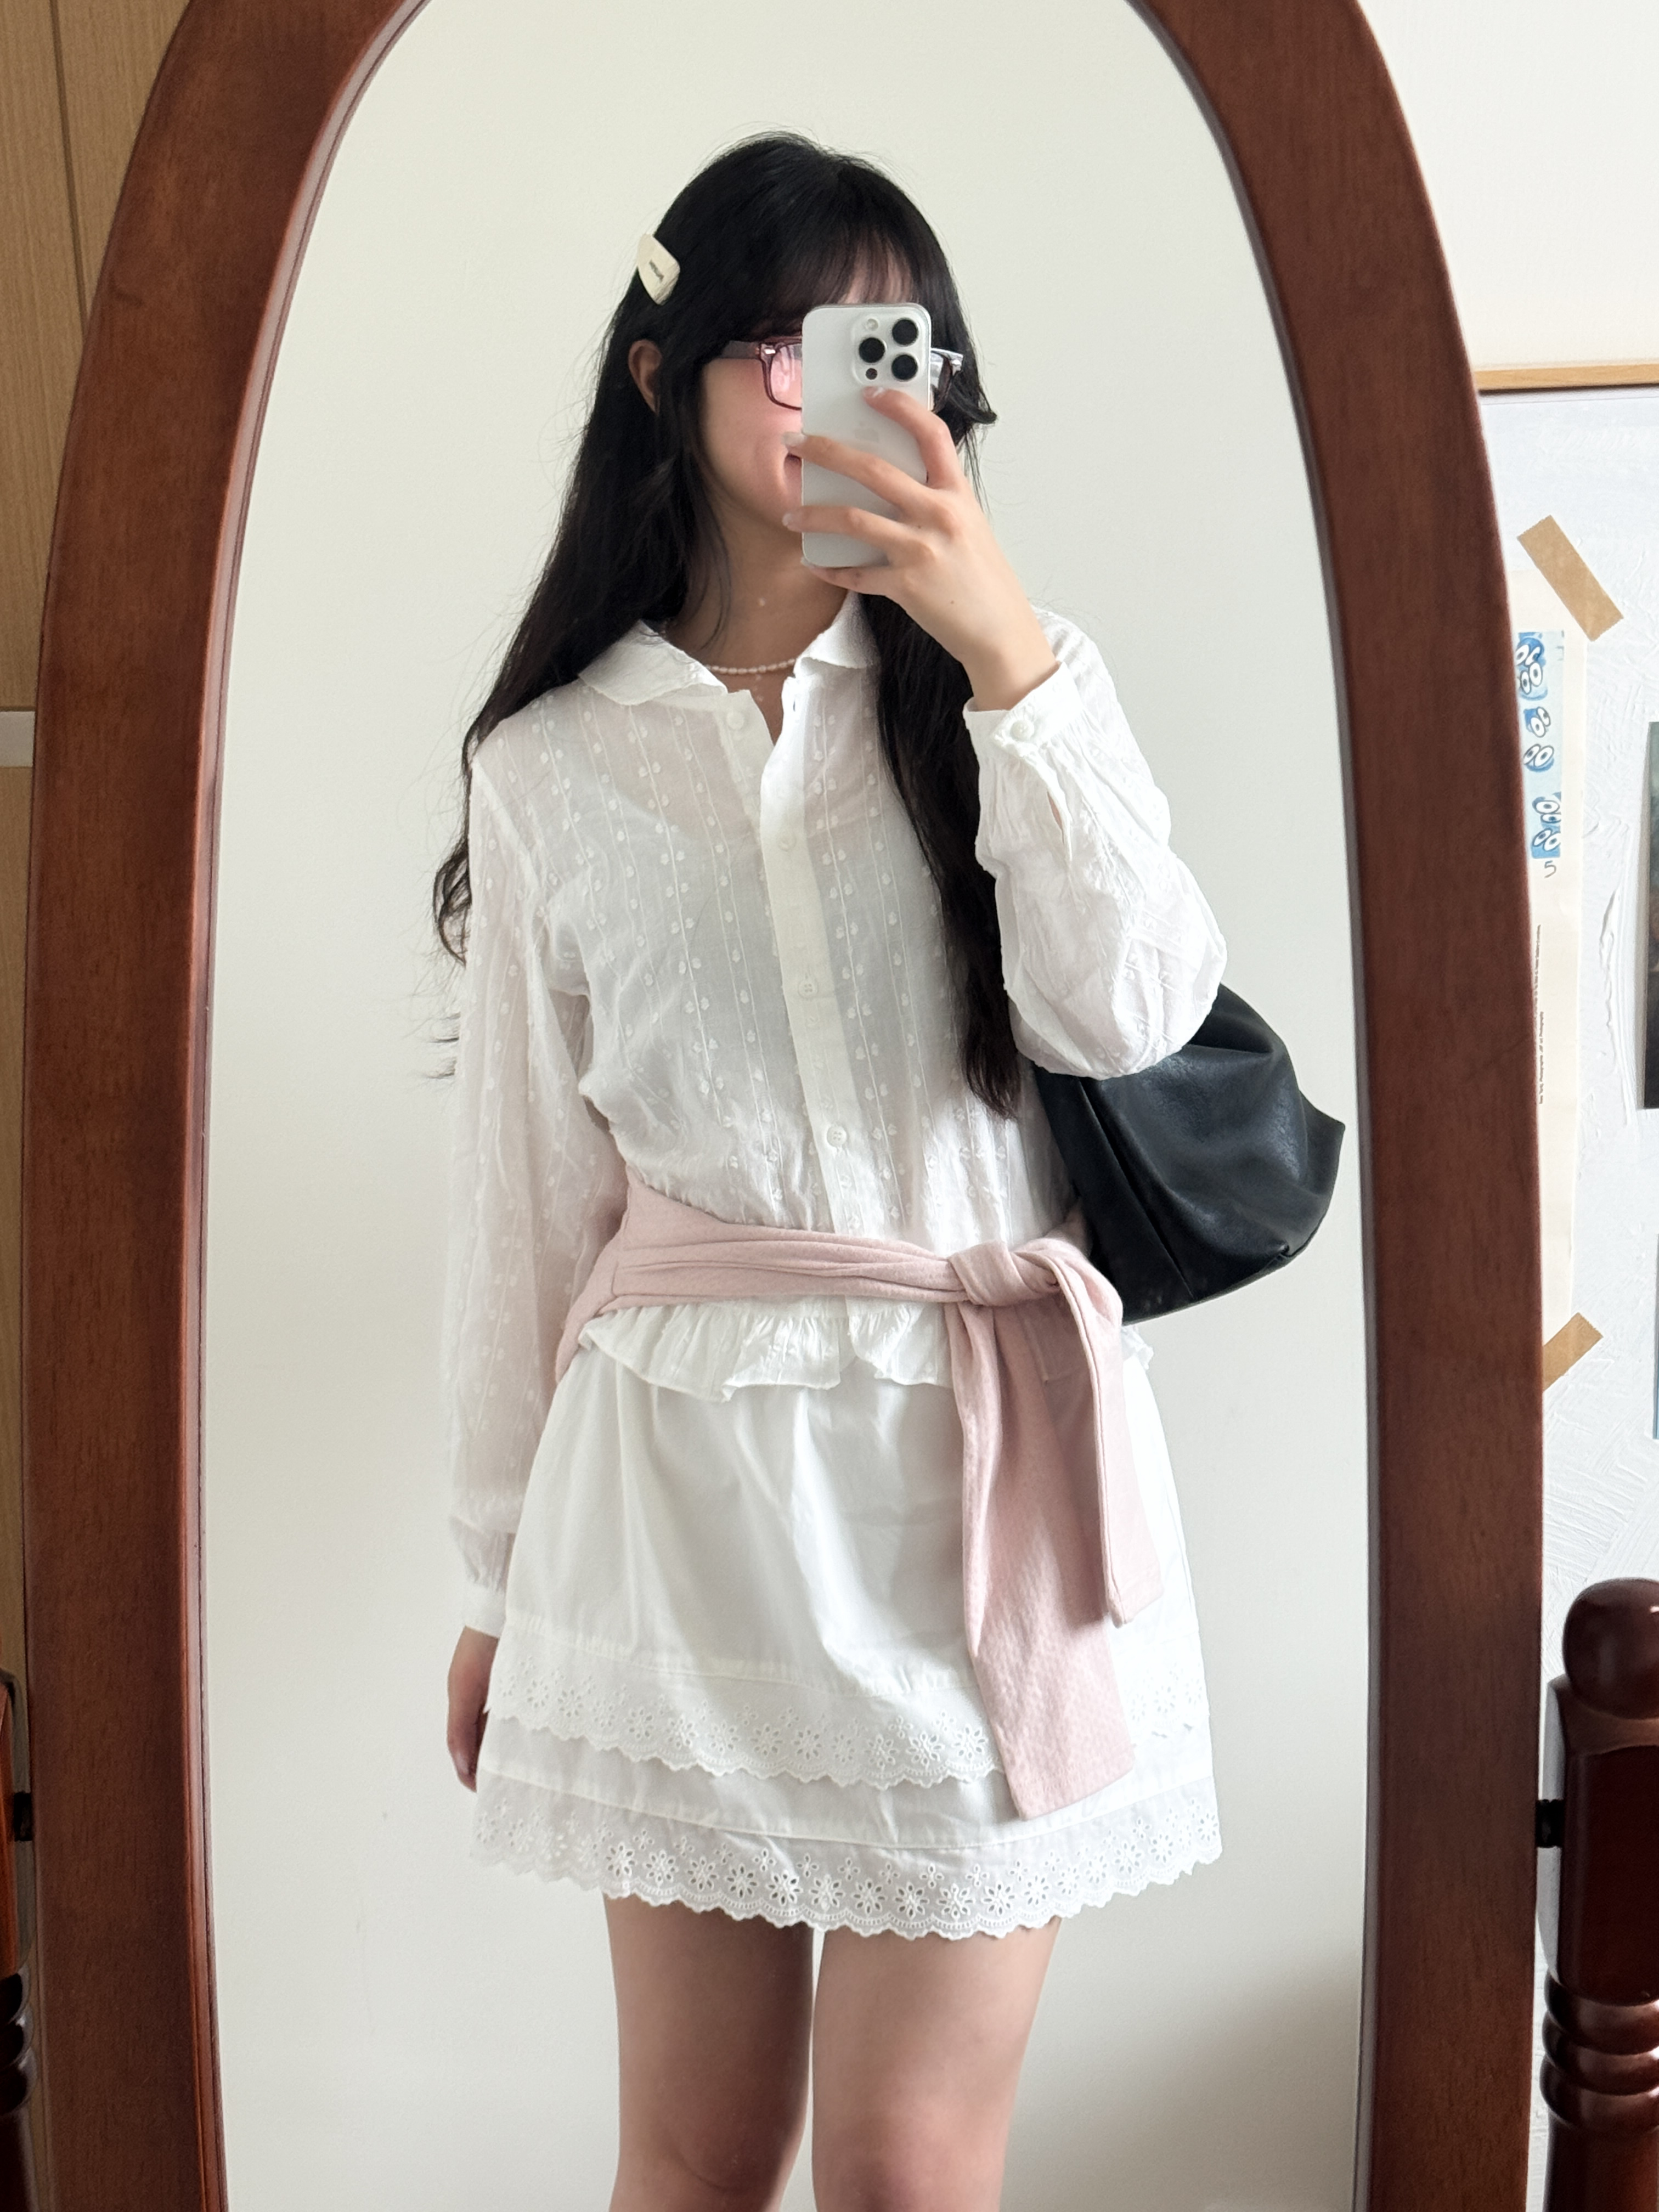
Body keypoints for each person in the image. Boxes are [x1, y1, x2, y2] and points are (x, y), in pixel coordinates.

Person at [437, 131, 1226, 2212]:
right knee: (697, 2160)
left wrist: (1006, 649)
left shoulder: (1012, 691)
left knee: (904, 2169)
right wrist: (501, 1589)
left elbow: (1136, 1014)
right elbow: (526, 1207)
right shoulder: (549, 769)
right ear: (662, 375)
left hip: (978, 1496)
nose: (845, 391)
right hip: (677, 1519)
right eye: (786, 348)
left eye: (893, 347)